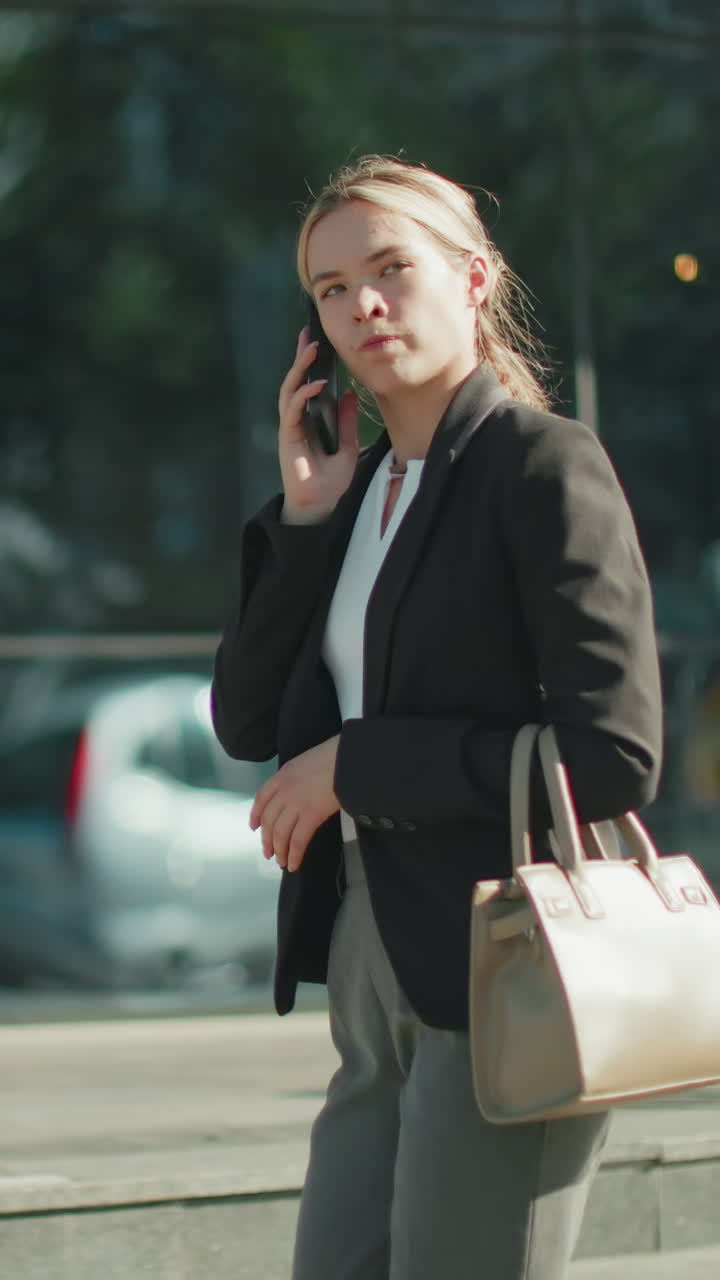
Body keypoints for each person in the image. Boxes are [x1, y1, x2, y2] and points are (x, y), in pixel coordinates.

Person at [211, 155, 662, 1280]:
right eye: (328, 287)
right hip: (371, 953)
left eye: (391, 268)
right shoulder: (356, 494)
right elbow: (244, 716)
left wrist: (359, 766)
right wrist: (309, 520)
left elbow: (612, 753)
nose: (361, 303)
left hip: (509, 954)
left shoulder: (542, 466)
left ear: (471, 279)